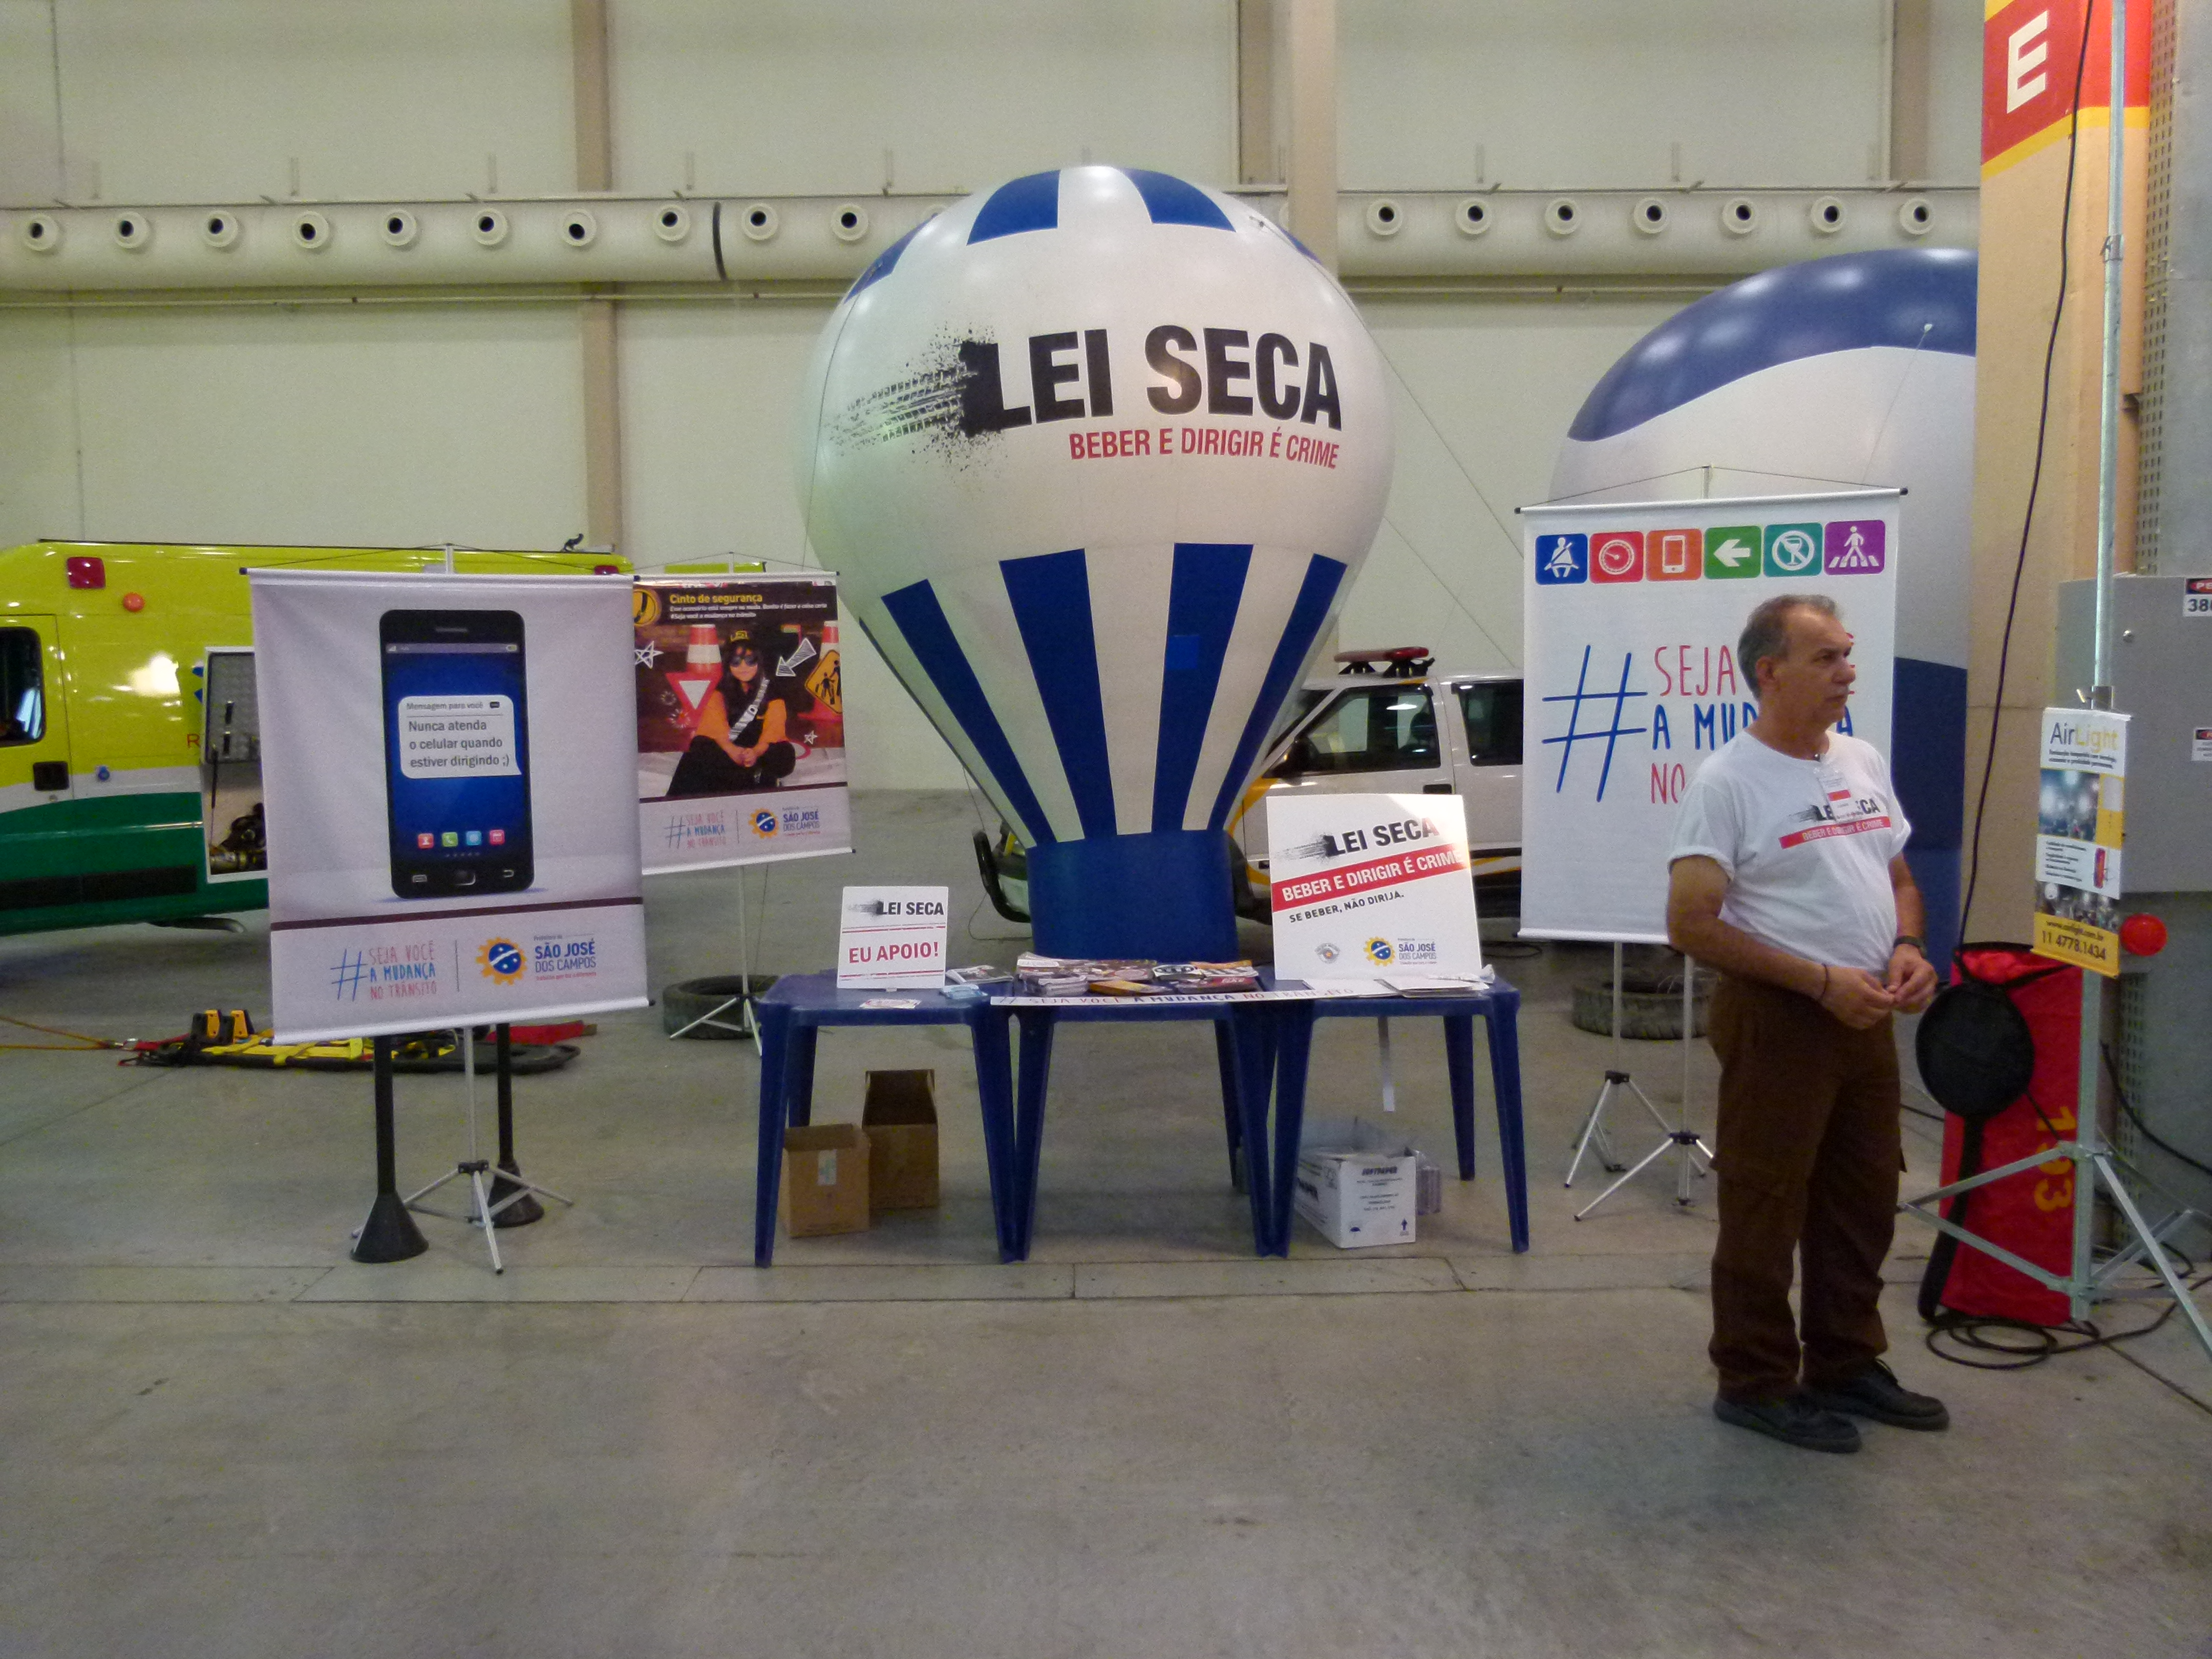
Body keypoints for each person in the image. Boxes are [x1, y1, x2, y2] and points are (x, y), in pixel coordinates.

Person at [1665, 593, 1946, 1454]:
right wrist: (1820, 983)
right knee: (1767, 1204)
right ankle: (1754, 1382)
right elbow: (1692, 923)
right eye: (1826, 658)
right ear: (1769, 672)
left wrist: (1907, 946)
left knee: (1862, 1200)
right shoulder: (1727, 783)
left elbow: (1898, 879)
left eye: (1847, 654)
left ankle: (1844, 1362)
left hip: (1867, 1014)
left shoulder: (1859, 759)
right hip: (1782, 1019)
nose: (1847, 672)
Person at [667, 629, 804, 797]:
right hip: (729, 749)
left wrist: (756, 752)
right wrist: (732, 751)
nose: (744, 667)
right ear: (728, 664)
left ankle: (737, 778)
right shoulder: (719, 690)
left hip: (759, 749)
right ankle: (752, 779)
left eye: (750, 660)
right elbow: (715, 727)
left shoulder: (772, 690)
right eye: (736, 662)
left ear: (759, 661)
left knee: (785, 753)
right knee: (699, 745)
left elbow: (774, 730)